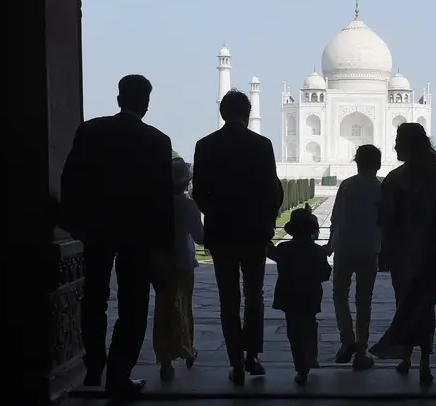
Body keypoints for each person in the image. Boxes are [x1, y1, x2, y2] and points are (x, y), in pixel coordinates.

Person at [60, 74, 174, 397]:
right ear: (146, 103)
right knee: (133, 307)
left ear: (119, 98)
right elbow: (162, 200)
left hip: (96, 231)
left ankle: (95, 366)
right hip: (137, 238)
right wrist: (164, 247)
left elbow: (70, 181)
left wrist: (73, 224)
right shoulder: (156, 141)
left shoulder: (91, 131)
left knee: (94, 300)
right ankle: (119, 374)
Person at [192, 89, 283, 385]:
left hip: (222, 233)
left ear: (222, 112)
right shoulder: (261, 144)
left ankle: (236, 362)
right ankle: (252, 356)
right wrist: (267, 221)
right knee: (253, 295)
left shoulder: (206, 145)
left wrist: (217, 215)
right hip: (254, 232)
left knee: (228, 298)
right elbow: (273, 190)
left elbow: (199, 192)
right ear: (247, 113)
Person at [368, 123, 436, 386]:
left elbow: (385, 220)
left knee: (406, 303)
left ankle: (406, 357)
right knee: (424, 307)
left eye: (398, 141)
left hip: (404, 253)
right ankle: (423, 362)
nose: (394, 146)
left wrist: (385, 251)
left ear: (409, 145)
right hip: (431, 251)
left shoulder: (395, 179)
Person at [325, 144, 382, 370]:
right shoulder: (381, 189)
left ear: (356, 162)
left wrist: (330, 244)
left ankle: (347, 339)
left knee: (340, 295)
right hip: (369, 249)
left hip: (345, 248)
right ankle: (361, 351)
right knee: (364, 301)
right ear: (377, 164)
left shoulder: (347, 186)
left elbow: (336, 217)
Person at [268, 205, 332, 386]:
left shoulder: (284, 248)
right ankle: (311, 355)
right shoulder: (318, 251)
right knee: (310, 326)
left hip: (288, 296)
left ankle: (301, 368)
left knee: (294, 333)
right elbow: (325, 274)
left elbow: (270, 251)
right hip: (310, 296)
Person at [152, 157, 204, 381]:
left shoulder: (155, 204)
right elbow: (200, 238)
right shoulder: (187, 205)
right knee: (183, 307)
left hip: (160, 264)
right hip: (182, 263)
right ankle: (186, 348)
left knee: (164, 309)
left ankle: (165, 360)